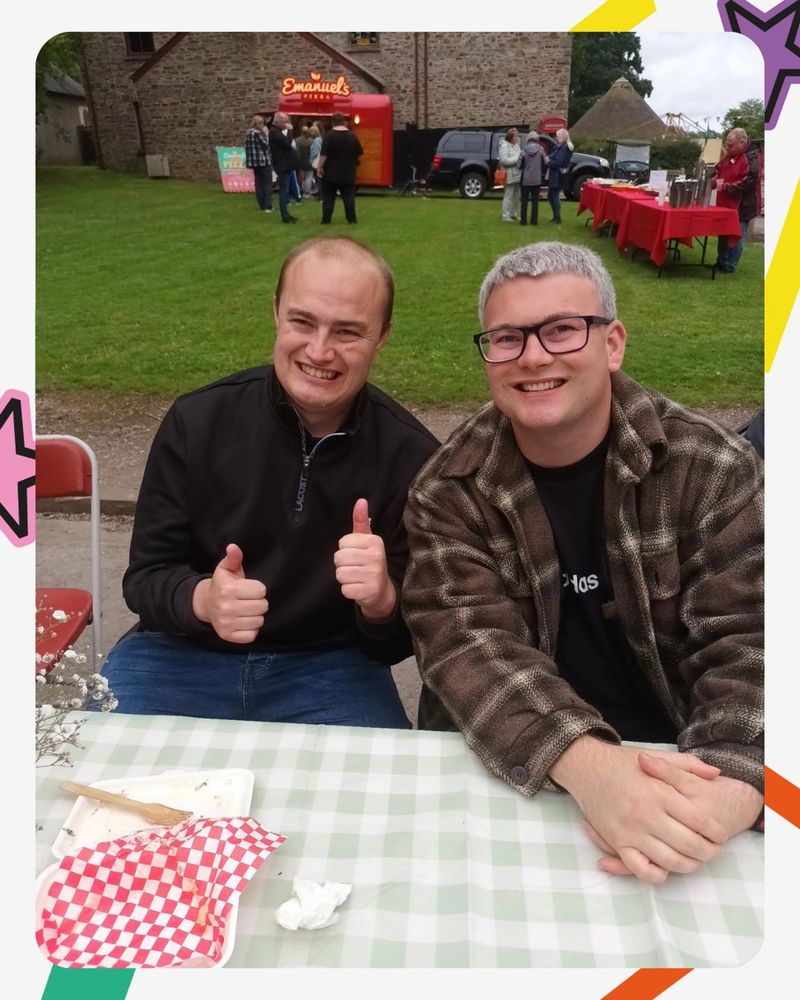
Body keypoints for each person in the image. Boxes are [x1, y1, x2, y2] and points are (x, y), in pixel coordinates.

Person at [402, 242, 764, 885]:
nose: (534, 356)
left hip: (681, 756)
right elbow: (467, 648)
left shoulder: (712, 469)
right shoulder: (448, 489)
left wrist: (732, 783)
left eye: (563, 329)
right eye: (508, 337)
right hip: (510, 756)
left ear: (613, 343)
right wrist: (593, 768)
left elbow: (753, 640)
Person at [101, 236, 440, 727]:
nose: (319, 351)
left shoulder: (413, 456)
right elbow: (146, 577)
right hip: (178, 655)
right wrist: (204, 600)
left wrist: (383, 600)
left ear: (382, 336)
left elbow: (397, 643)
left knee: (379, 798)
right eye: (303, 321)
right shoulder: (197, 421)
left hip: (331, 667)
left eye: (348, 332)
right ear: (276, 312)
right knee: (95, 775)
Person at [712, 127, 762, 274]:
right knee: (723, 233)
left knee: (737, 235)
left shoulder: (752, 156)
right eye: (727, 144)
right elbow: (720, 172)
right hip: (725, 204)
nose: (727, 148)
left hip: (742, 205)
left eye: (730, 145)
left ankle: (729, 265)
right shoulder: (729, 156)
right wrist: (712, 182)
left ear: (742, 142)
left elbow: (751, 179)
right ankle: (721, 261)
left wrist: (729, 187)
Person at [317, 112, 364, 224]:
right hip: (348, 170)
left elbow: (324, 154)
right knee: (348, 196)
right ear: (344, 122)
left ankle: (326, 219)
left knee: (329, 197)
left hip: (330, 171)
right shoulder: (352, 136)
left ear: (333, 122)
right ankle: (351, 219)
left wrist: (319, 167)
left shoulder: (328, 135)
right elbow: (359, 152)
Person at [269, 111, 300, 223]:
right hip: (282, 165)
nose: (286, 124)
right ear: (278, 122)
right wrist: (290, 129)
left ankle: (286, 213)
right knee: (284, 191)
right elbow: (287, 143)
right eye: (284, 122)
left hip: (285, 163)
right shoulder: (274, 132)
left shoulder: (276, 131)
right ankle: (284, 216)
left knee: (285, 191)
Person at [244, 115, 272, 213]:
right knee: (267, 184)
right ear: (258, 123)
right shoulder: (257, 133)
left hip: (254, 162)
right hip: (263, 161)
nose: (262, 125)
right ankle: (267, 206)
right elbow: (266, 145)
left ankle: (261, 205)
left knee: (258, 183)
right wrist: (267, 134)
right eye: (262, 123)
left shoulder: (248, 133)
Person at [545, 128, 573, 224]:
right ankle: (556, 216)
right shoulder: (562, 147)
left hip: (558, 174)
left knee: (554, 195)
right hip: (557, 173)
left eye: (557, 136)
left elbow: (559, 162)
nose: (556, 138)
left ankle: (557, 217)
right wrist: (549, 158)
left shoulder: (564, 148)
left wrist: (548, 162)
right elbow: (554, 156)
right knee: (551, 195)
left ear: (562, 137)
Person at [519, 131, 544, 226]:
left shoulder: (523, 150)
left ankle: (523, 221)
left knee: (524, 201)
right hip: (537, 179)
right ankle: (534, 221)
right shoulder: (541, 150)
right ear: (536, 139)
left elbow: (518, 165)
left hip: (525, 179)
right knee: (535, 201)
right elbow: (545, 162)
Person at [498, 127, 522, 222]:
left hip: (517, 174)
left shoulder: (516, 145)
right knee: (508, 195)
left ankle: (512, 213)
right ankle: (505, 215)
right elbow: (504, 161)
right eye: (516, 136)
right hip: (509, 175)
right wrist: (517, 159)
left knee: (517, 195)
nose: (517, 138)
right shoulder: (505, 145)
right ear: (511, 137)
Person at [296, 125, 314, 197]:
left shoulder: (297, 140)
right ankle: (307, 192)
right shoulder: (311, 141)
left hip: (301, 161)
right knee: (309, 177)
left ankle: (303, 192)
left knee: (302, 178)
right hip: (310, 161)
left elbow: (297, 152)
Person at [308, 124, 323, 198]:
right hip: (321, 161)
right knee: (320, 179)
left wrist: (311, 160)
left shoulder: (315, 141)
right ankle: (321, 194)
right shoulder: (320, 139)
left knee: (318, 179)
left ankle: (321, 195)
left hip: (316, 162)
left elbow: (315, 152)